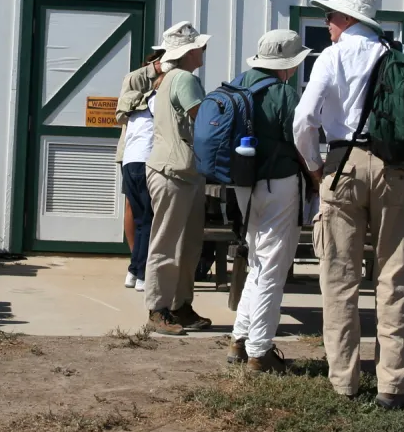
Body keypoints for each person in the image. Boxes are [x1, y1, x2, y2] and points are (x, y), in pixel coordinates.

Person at [292, 0, 404, 409]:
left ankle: (344, 380)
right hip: (392, 166)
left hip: (342, 162)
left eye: (330, 16)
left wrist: (314, 167)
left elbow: (305, 118)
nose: (327, 23)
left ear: (345, 18)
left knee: (340, 277)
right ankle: (393, 383)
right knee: (393, 274)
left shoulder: (332, 56)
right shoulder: (401, 52)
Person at [227, 30, 310, 372]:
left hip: (243, 184)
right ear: (287, 65)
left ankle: (239, 339)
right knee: (273, 267)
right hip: (279, 184)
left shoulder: (237, 84)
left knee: (258, 263)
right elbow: (302, 139)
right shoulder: (283, 94)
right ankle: (259, 353)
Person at [144, 22, 212, 336]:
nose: (203, 50)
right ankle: (159, 309)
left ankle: (179, 306)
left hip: (181, 171)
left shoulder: (171, 78)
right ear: (188, 51)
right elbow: (205, 120)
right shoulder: (184, 78)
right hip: (175, 172)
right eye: (200, 46)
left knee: (187, 245)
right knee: (169, 245)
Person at [116, 47, 164, 291]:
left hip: (131, 160)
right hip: (144, 159)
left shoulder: (137, 108)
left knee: (142, 217)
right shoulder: (148, 95)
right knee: (146, 217)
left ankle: (135, 269)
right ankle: (141, 269)